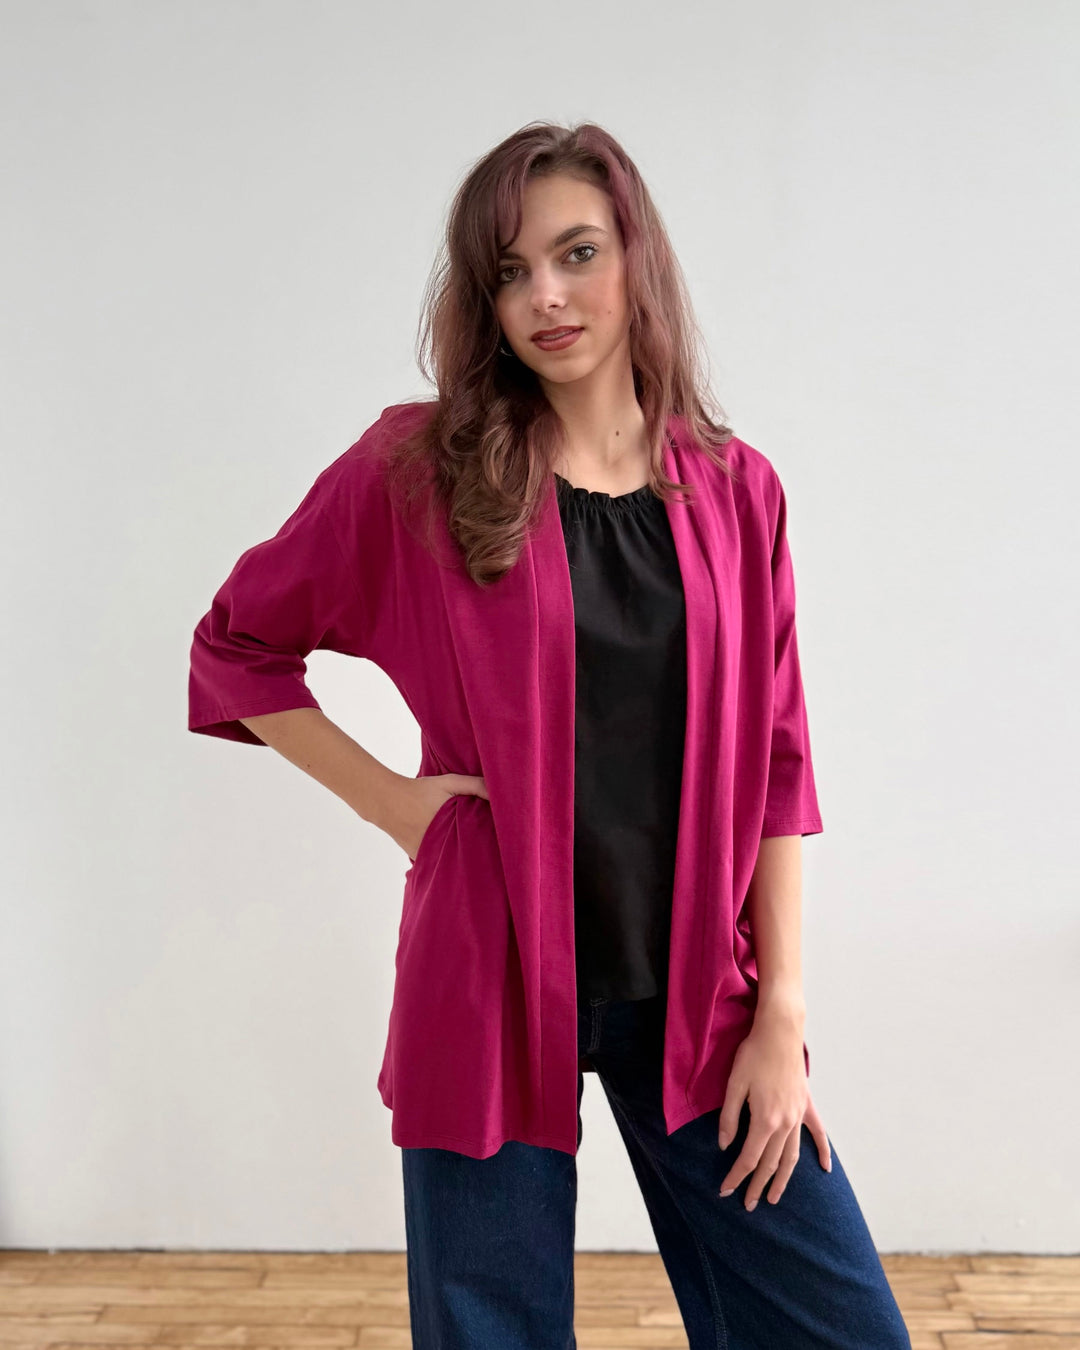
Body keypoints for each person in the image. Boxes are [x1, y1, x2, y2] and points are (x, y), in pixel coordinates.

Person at [188, 121, 911, 1349]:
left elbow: (780, 762)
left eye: (576, 253)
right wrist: (396, 804)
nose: (546, 297)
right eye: (510, 272)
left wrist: (782, 1013)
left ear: (637, 256)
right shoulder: (420, 470)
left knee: (840, 1329)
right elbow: (235, 645)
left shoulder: (740, 491)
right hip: (489, 973)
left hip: (697, 986)